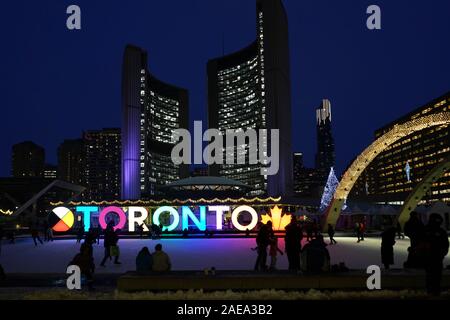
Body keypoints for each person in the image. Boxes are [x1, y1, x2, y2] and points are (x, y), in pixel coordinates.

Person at [422, 213, 449, 296]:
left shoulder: (428, 230)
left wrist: (441, 254)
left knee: (434, 275)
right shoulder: (429, 230)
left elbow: (445, 245)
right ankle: (433, 290)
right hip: (432, 257)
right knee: (433, 275)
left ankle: (433, 290)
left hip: (435, 257)